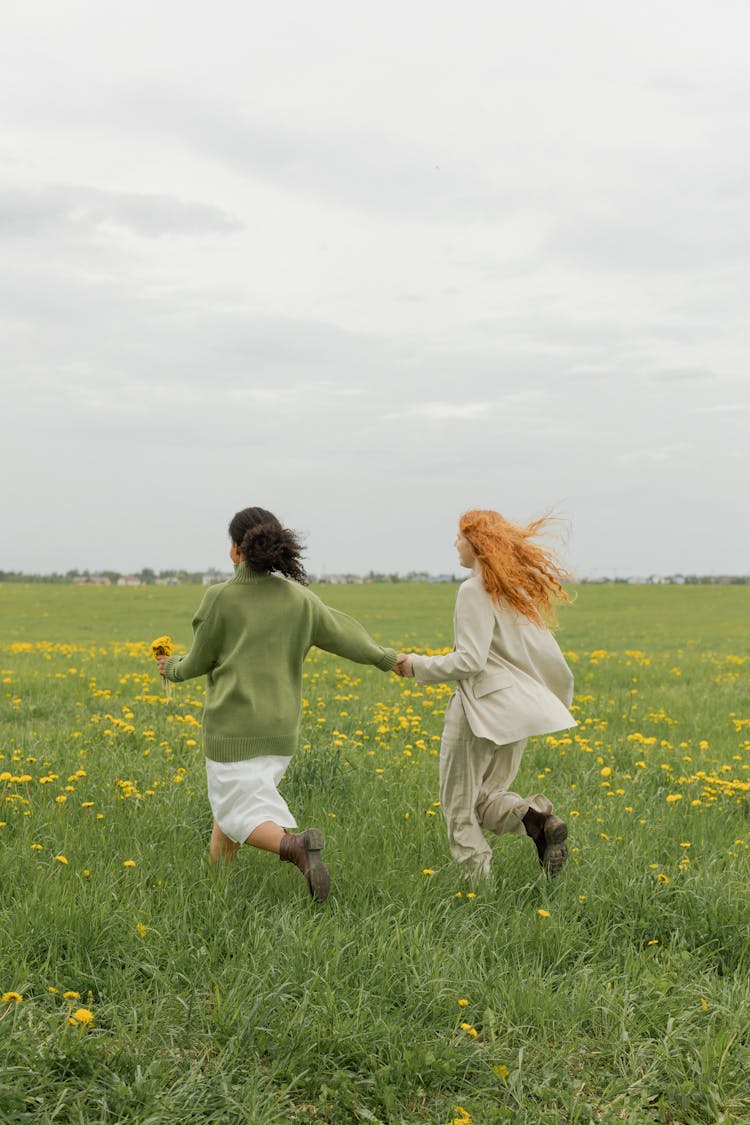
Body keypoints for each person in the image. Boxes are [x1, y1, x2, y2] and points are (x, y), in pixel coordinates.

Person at [156, 506, 398, 902]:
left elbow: (198, 662)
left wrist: (171, 668)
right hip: (280, 732)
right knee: (232, 804)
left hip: (232, 729)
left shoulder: (220, 598)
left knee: (239, 810)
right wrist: (386, 658)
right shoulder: (299, 599)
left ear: (237, 550)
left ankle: (296, 847)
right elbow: (345, 634)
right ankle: (218, 885)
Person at [395, 509, 576, 881]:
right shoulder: (512, 588)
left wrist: (414, 665)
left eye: (459, 537)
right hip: (518, 710)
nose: (455, 544)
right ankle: (537, 821)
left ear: (477, 544)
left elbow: (470, 661)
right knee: (486, 799)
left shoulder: (474, 589)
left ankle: (479, 892)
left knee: (459, 809)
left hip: (479, 710)